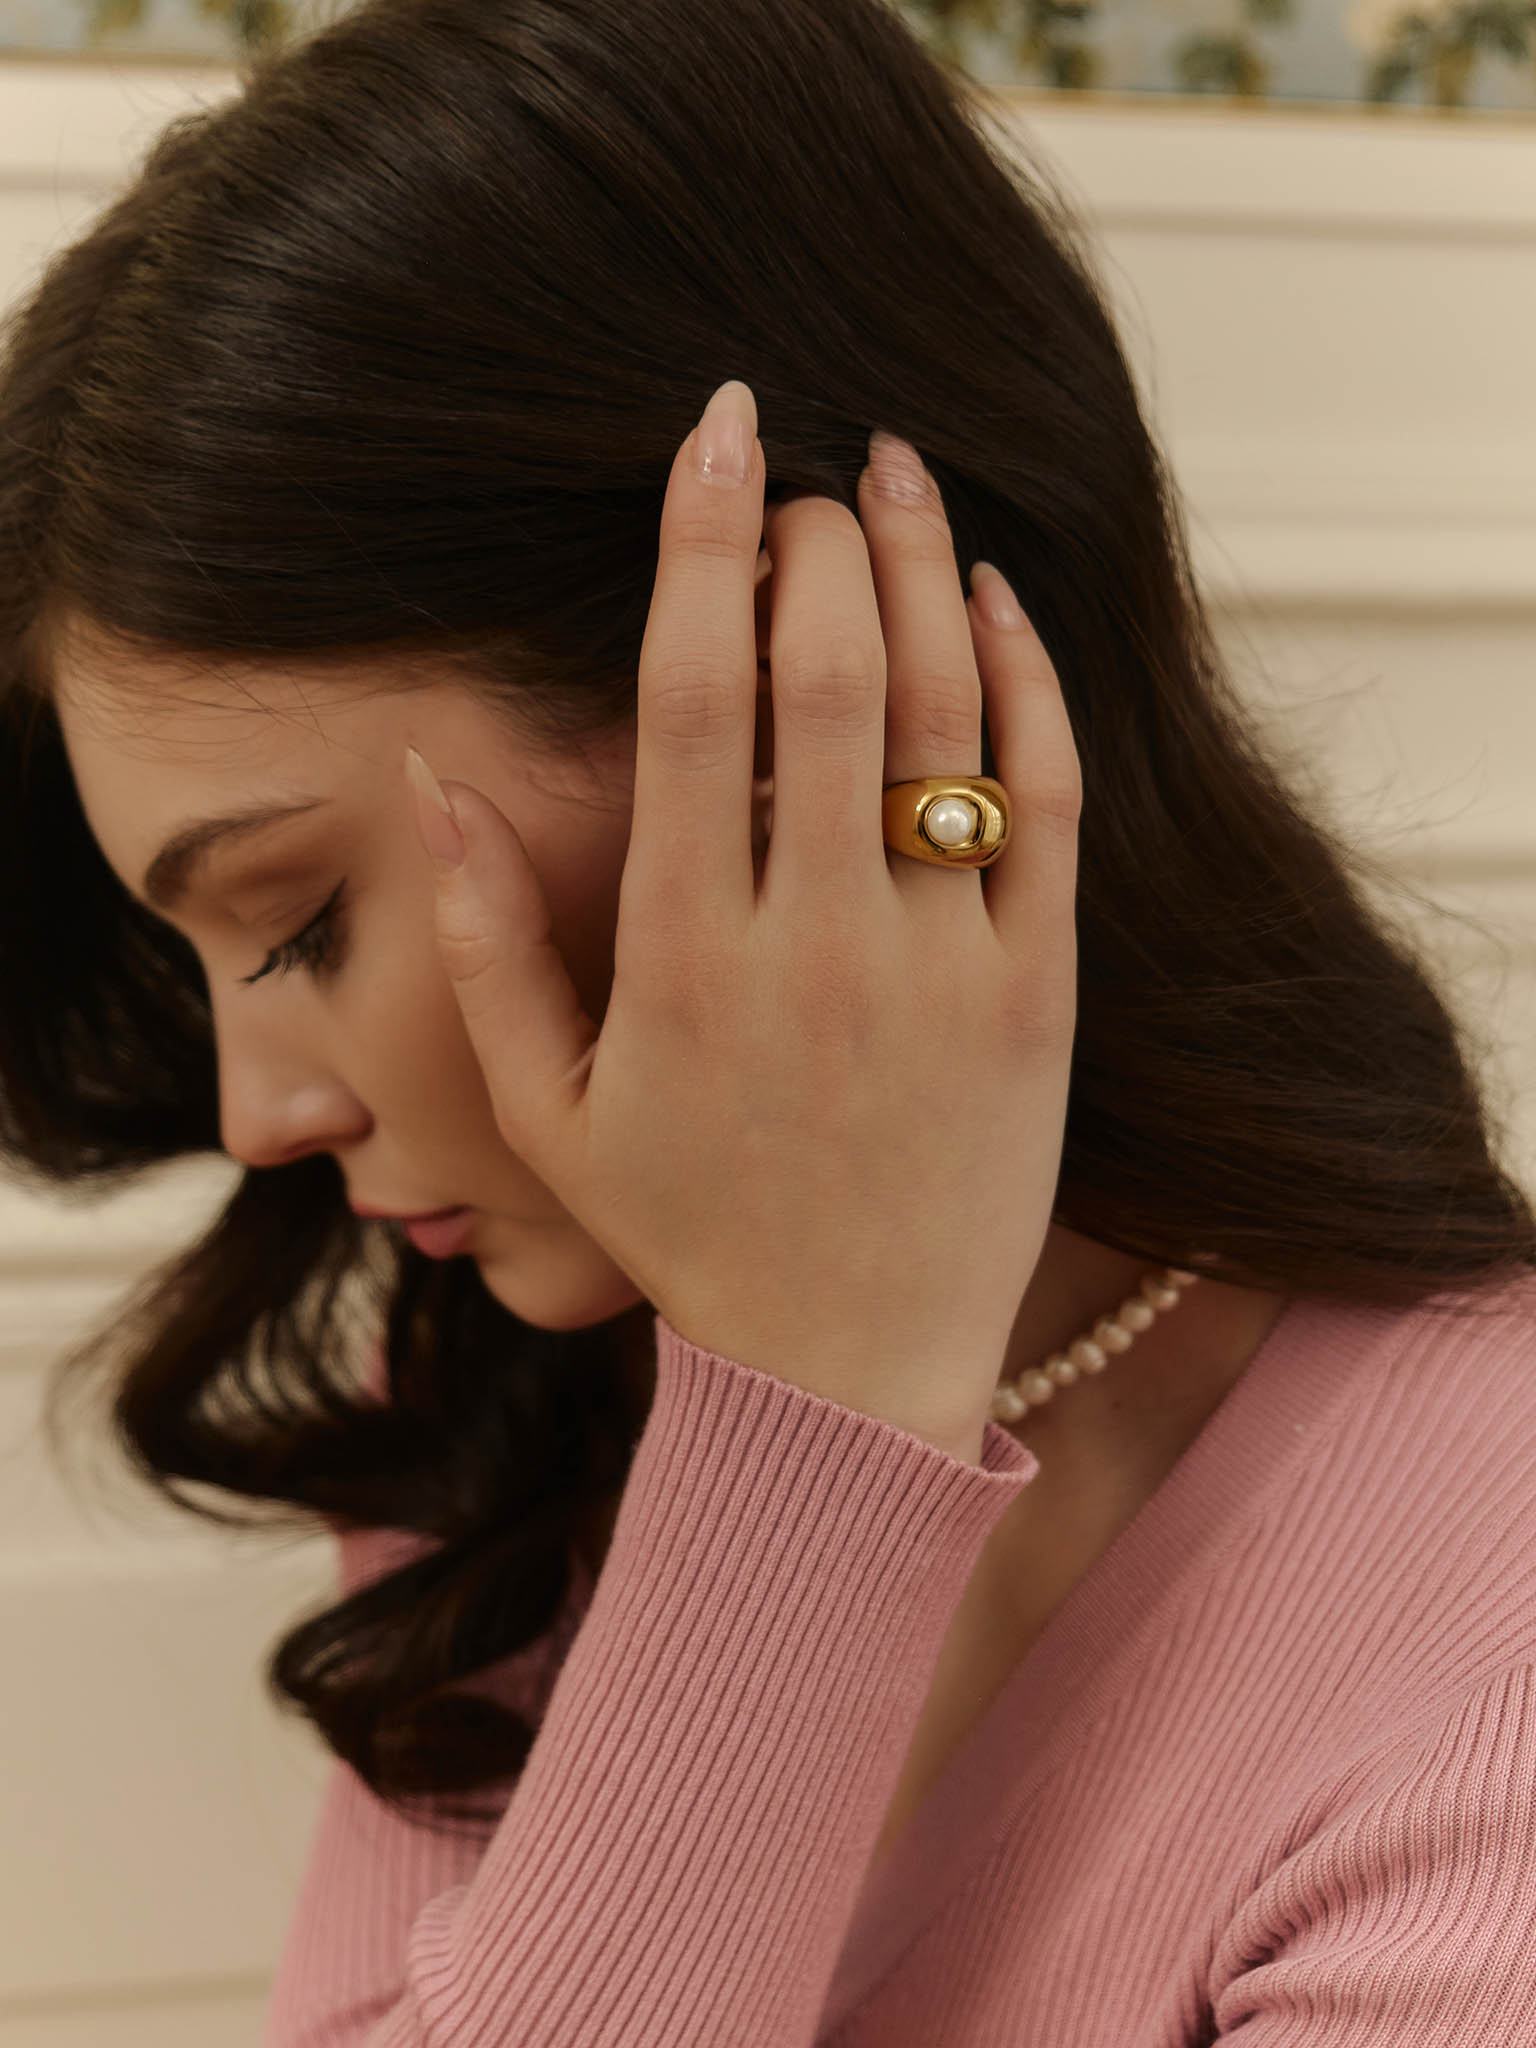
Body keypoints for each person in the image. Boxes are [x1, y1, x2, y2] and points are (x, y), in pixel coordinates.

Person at [2, 0, 1533, 2040]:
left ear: (817, 687)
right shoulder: (516, 1402)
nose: (261, 1108)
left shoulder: (1483, 1636)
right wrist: (804, 1409)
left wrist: (809, 1434)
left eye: (294, 922)